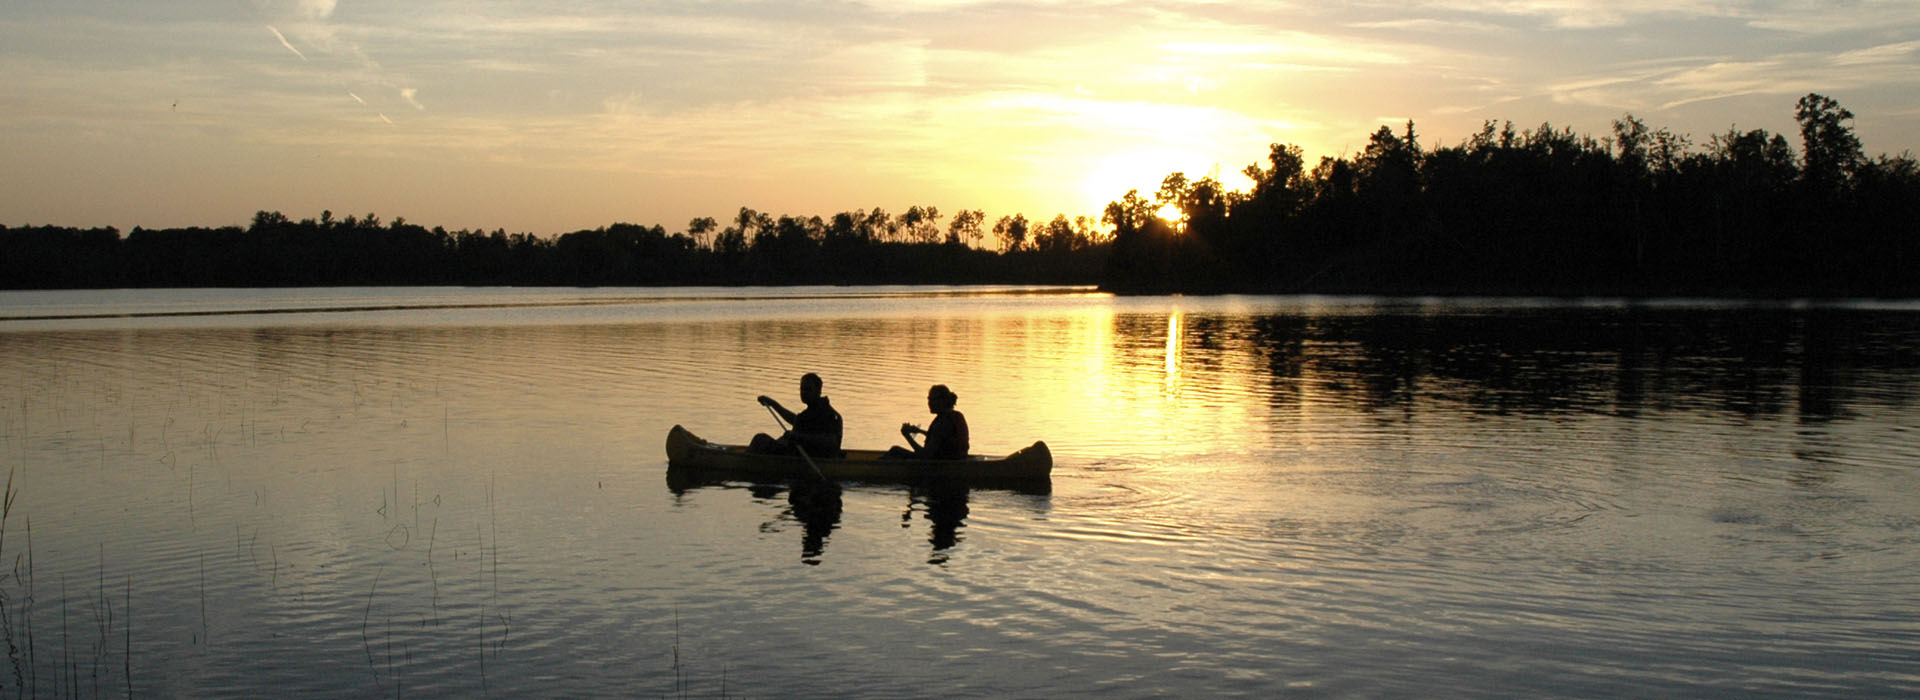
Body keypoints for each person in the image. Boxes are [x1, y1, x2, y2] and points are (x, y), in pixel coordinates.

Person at [750, 373, 844, 458]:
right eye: (802, 389)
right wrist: (773, 404)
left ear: (818, 391)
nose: (803, 392)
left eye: (808, 389)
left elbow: (831, 441)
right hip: (800, 453)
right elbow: (795, 420)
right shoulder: (810, 412)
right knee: (778, 440)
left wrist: (797, 436)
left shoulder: (829, 414)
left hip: (814, 458)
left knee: (760, 439)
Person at [886, 384, 969, 460]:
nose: (929, 403)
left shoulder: (942, 422)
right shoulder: (956, 415)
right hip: (957, 459)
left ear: (942, 401)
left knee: (895, 450)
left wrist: (907, 436)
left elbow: (925, 455)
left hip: (941, 465)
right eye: (929, 399)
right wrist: (919, 431)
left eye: (932, 399)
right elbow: (940, 438)